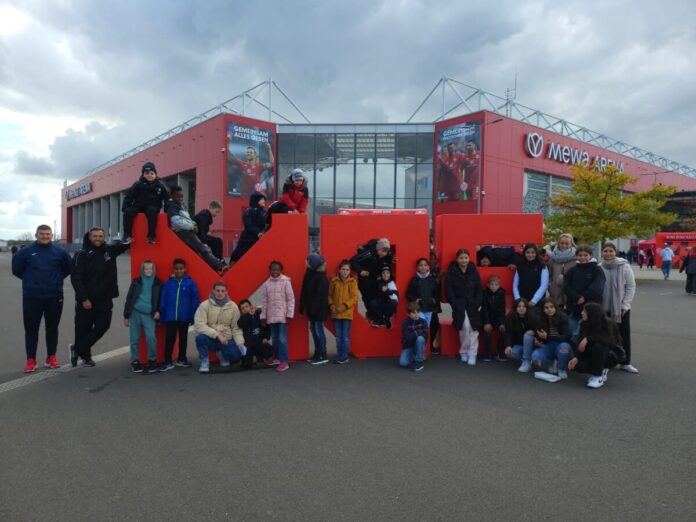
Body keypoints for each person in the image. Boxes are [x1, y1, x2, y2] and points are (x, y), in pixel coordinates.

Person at [11, 224, 71, 373]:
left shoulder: (61, 252)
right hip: (32, 297)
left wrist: (55, 281)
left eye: (48, 234)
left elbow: (67, 269)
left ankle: (51, 357)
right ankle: (31, 359)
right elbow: (17, 270)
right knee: (31, 329)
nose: (45, 236)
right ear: (36, 235)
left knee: (52, 328)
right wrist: (32, 282)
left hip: (54, 296)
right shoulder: (25, 252)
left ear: (51, 236)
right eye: (42, 234)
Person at [70, 227, 130, 367]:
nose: (98, 238)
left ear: (104, 237)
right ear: (89, 237)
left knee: (103, 326)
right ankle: (86, 357)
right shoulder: (81, 254)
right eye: (95, 236)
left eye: (100, 236)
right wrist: (84, 298)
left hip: (105, 298)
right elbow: (76, 279)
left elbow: (127, 243)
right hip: (87, 300)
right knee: (82, 329)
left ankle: (77, 348)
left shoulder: (109, 251)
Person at [165, 186, 226, 274]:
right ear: (172, 196)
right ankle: (218, 265)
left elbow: (187, 220)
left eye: (182, 196)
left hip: (186, 231)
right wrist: (192, 226)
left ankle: (218, 262)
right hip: (182, 232)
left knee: (210, 244)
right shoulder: (172, 206)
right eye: (178, 196)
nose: (180, 198)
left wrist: (192, 225)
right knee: (202, 248)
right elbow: (176, 220)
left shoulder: (180, 206)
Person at [567, 303, 626, 389]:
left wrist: (588, 339)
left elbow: (610, 342)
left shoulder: (608, 324)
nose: (582, 313)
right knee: (576, 366)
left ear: (592, 314)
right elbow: (581, 345)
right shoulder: (584, 324)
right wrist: (576, 357)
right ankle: (600, 369)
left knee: (599, 346)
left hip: (610, 356)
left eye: (584, 311)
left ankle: (598, 377)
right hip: (591, 353)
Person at [193, 281, 247, 374]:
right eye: (217, 290)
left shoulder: (233, 306)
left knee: (236, 355)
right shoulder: (204, 305)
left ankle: (222, 354)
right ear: (213, 291)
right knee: (200, 338)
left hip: (226, 339)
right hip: (211, 338)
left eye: (223, 291)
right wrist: (217, 334)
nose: (220, 293)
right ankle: (204, 361)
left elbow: (236, 327)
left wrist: (240, 343)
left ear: (226, 292)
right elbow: (199, 325)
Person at [600, 242, 637, 374]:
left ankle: (625, 362)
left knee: (623, 336)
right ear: (602, 253)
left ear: (615, 252)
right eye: (605, 251)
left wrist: (625, 305)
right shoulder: (599, 267)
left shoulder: (624, 266)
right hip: (604, 309)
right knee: (605, 336)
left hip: (621, 309)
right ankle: (607, 361)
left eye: (610, 251)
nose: (608, 253)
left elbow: (631, 286)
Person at [159, 258, 200, 369]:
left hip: (184, 316)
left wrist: (193, 316)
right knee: (169, 339)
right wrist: (162, 315)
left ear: (185, 269)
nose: (178, 271)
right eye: (176, 269)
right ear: (173, 270)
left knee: (183, 338)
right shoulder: (168, 283)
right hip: (171, 316)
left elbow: (195, 300)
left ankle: (182, 359)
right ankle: (167, 360)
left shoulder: (190, 283)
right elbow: (163, 299)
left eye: (181, 268)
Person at [444, 248, 482, 366]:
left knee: (473, 328)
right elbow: (448, 289)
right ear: (457, 259)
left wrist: (477, 302)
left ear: (469, 259)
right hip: (459, 303)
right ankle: (463, 351)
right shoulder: (452, 271)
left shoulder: (473, 270)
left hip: (472, 303)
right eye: (461, 258)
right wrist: (454, 303)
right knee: (464, 326)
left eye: (466, 257)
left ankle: (472, 353)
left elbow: (479, 288)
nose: (464, 260)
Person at [124, 260, 163, 374]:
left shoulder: (158, 283)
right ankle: (135, 361)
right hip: (135, 313)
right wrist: (126, 316)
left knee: (151, 337)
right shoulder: (136, 282)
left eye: (151, 269)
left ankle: (152, 360)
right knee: (134, 338)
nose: (148, 271)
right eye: (146, 269)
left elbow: (161, 299)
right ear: (142, 270)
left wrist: (158, 311)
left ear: (154, 269)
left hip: (149, 314)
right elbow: (129, 298)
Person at [563, 245, 605, 343]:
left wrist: (584, 297)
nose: (583, 257)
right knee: (573, 335)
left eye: (585, 255)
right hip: (575, 309)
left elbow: (597, 287)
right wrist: (576, 297)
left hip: (591, 310)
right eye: (580, 255)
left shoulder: (597, 269)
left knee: (588, 336)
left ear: (590, 255)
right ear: (576, 256)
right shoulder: (572, 270)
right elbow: (566, 286)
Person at [122, 162, 169, 244]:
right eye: (147, 173)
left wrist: (167, 210)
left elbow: (167, 197)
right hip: (139, 205)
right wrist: (125, 207)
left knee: (152, 212)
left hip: (153, 206)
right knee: (128, 212)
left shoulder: (160, 185)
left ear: (155, 174)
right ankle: (127, 236)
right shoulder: (138, 184)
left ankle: (151, 236)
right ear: (143, 174)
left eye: (152, 173)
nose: (149, 175)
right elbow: (129, 196)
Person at [261, 260, 295, 372]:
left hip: (283, 316)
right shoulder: (266, 284)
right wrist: (263, 316)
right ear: (269, 270)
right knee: (275, 338)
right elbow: (265, 301)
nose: (275, 272)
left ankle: (284, 361)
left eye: (277, 270)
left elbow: (291, 299)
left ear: (281, 270)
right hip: (271, 316)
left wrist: (290, 314)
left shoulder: (286, 282)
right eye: (273, 270)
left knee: (282, 339)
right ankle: (276, 357)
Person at [530, 298, 573, 379]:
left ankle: (561, 369)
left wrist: (548, 337)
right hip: (548, 344)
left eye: (551, 307)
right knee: (535, 357)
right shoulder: (540, 318)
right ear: (543, 309)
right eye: (546, 308)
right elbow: (538, 334)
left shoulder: (563, 318)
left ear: (555, 307)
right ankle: (554, 362)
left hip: (561, 343)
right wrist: (537, 341)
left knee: (564, 347)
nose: (549, 310)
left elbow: (566, 337)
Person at [350, 238, 393, 318]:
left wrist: (391, 259)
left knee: (376, 297)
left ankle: (374, 316)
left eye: (386, 252)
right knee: (368, 298)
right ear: (377, 249)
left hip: (374, 278)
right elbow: (353, 261)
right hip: (364, 280)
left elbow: (385, 258)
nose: (384, 254)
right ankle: (371, 315)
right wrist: (360, 271)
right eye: (382, 251)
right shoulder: (368, 253)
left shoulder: (383, 255)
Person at [300, 253, 330, 365]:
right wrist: (302, 303)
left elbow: (321, 296)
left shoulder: (322, 278)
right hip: (311, 309)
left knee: (319, 331)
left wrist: (313, 309)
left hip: (319, 310)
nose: (306, 262)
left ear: (313, 264)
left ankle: (323, 353)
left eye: (308, 261)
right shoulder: (309, 274)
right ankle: (317, 352)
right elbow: (304, 288)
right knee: (313, 331)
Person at [328, 260, 358, 364]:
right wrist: (331, 305)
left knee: (345, 336)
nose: (345, 271)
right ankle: (340, 355)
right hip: (335, 313)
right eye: (343, 269)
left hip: (347, 314)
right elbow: (329, 295)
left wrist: (344, 306)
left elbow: (354, 298)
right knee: (338, 336)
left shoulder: (353, 282)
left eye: (347, 270)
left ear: (350, 271)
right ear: (339, 270)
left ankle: (344, 356)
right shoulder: (334, 281)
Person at [229, 192, 267, 264]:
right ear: (256, 200)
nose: (264, 201)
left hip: (258, 239)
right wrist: (258, 232)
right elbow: (248, 225)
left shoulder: (264, 211)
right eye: (262, 199)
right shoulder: (248, 211)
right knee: (239, 255)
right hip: (247, 239)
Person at [503, 298, 538, 373]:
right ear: (515, 307)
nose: (521, 308)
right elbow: (509, 333)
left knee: (527, 335)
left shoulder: (533, 317)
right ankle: (527, 358)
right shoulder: (510, 317)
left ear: (527, 308)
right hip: (519, 344)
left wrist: (534, 332)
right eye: (519, 306)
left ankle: (527, 361)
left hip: (532, 345)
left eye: (524, 306)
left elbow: (539, 330)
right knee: (510, 354)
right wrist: (508, 345)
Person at [406, 257, 440, 331]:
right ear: (417, 267)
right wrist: (415, 299)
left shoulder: (432, 279)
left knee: (425, 329)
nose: (423, 267)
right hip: (418, 309)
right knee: (420, 326)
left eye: (425, 265)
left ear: (428, 267)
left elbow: (437, 293)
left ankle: (421, 342)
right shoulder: (415, 280)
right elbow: (408, 293)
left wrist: (434, 301)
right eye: (421, 265)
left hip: (429, 308)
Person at [513, 243, 549, 311]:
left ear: (536, 253)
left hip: (537, 302)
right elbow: (515, 285)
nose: (530, 255)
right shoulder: (520, 266)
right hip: (522, 301)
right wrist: (518, 299)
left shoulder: (542, 266)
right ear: (524, 253)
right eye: (528, 252)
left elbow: (544, 285)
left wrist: (534, 300)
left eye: (533, 252)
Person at [237, 299, 272, 369]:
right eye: (242, 308)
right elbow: (240, 324)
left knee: (270, 353)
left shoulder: (259, 315)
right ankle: (248, 359)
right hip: (248, 345)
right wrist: (249, 315)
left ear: (251, 306)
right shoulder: (242, 318)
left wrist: (266, 337)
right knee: (246, 365)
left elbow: (267, 327)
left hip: (260, 342)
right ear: (241, 311)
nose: (245, 309)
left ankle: (261, 357)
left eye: (246, 306)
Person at [547, 233, 576, 310]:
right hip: (555, 292)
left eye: (567, 243)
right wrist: (550, 286)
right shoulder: (552, 259)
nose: (564, 245)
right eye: (562, 243)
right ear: (558, 243)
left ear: (571, 244)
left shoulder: (576, 258)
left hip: (571, 292)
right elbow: (550, 274)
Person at [481, 275, 506, 362]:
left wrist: (502, 322)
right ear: (488, 285)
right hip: (487, 318)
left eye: (496, 285)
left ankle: (500, 352)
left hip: (497, 319)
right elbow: (484, 309)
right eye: (492, 285)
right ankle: (487, 353)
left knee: (503, 329)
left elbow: (502, 310)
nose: (494, 287)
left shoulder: (502, 293)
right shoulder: (484, 293)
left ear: (499, 285)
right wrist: (487, 322)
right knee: (487, 331)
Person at [399, 302, 428, 372]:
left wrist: (414, 334)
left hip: (419, 345)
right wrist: (417, 332)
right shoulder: (405, 323)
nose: (416, 314)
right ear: (408, 314)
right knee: (403, 363)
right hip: (408, 346)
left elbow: (426, 336)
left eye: (418, 312)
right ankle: (417, 356)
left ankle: (419, 362)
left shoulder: (423, 322)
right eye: (414, 313)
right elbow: (407, 338)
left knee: (420, 339)